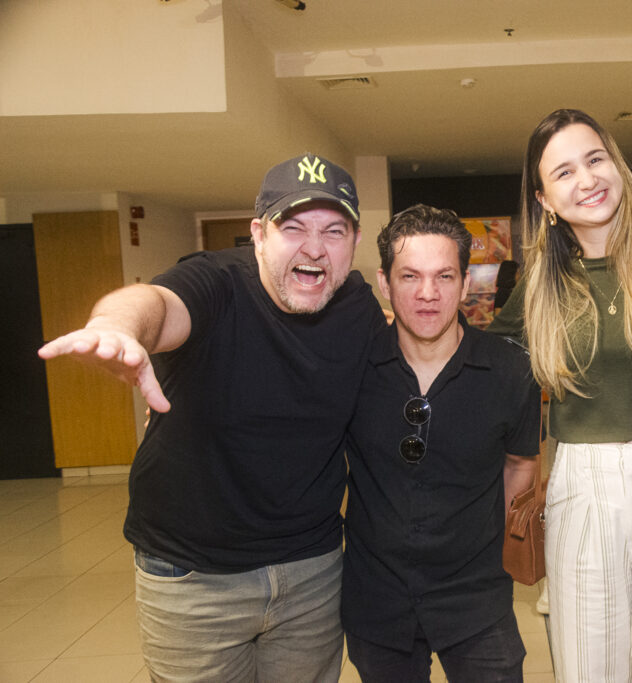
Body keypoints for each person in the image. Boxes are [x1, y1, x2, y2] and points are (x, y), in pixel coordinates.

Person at [37, 154, 385, 681]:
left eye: (334, 230)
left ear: (353, 243)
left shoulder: (357, 308)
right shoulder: (215, 284)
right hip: (192, 576)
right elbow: (154, 303)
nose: (315, 247)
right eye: (293, 227)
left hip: (311, 572)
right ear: (259, 235)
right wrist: (116, 326)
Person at [489, 109, 632, 682]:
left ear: (616, 165)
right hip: (581, 485)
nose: (587, 179)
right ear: (545, 199)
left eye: (595, 159)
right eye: (564, 172)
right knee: (591, 667)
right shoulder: (541, 283)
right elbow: (487, 369)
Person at [341, 204, 541, 682]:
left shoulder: (511, 371)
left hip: (476, 600)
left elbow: (521, 465)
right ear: (385, 284)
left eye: (444, 276)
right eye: (410, 277)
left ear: (466, 283)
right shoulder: (350, 370)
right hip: (377, 599)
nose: (427, 294)